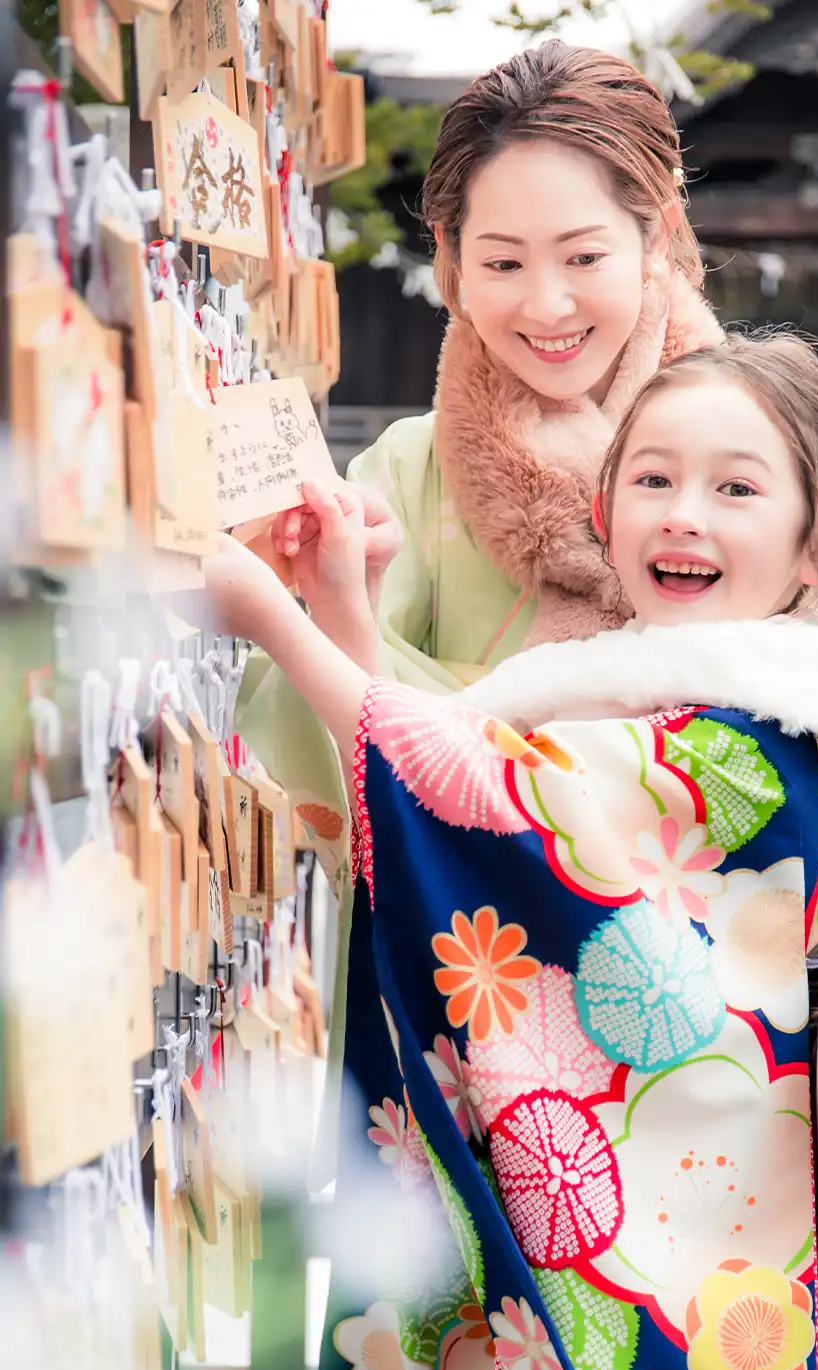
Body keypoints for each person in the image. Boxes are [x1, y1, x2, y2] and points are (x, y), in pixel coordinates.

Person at [205, 329, 818, 1370]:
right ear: (603, 510)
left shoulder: (750, 744)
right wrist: (340, 606)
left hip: (695, 1248)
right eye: (651, 478)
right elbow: (453, 777)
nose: (681, 515)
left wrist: (275, 622)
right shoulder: (670, 693)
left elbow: (486, 806)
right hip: (704, 1215)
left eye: (735, 487)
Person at [237, 39, 725, 1188]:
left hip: (698, 1046)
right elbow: (306, 763)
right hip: (451, 1035)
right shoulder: (403, 472)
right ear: (448, 261)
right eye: (501, 261)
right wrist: (331, 606)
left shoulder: (753, 458)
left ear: (656, 234)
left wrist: (350, 644)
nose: (545, 305)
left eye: (583, 255)